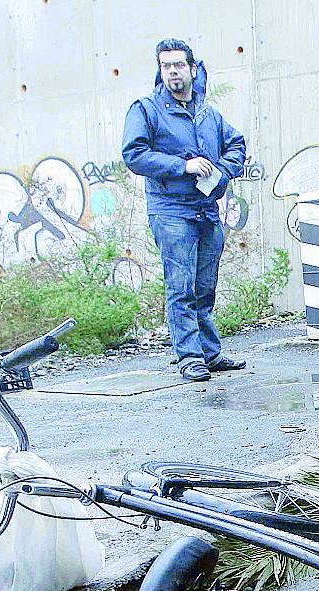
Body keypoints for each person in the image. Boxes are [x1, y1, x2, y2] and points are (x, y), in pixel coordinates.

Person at [122, 39, 248, 382]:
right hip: (171, 210)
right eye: (166, 66)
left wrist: (222, 171)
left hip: (207, 208)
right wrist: (183, 165)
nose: (173, 72)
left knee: (205, 285)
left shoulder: (209, 113)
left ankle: (210, 352)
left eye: (178, 65)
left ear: (193, 69)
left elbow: (237, 144)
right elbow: (134, 155)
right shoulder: (146, 109)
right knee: (181, 285)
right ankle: (189, 357)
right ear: (160, 71)